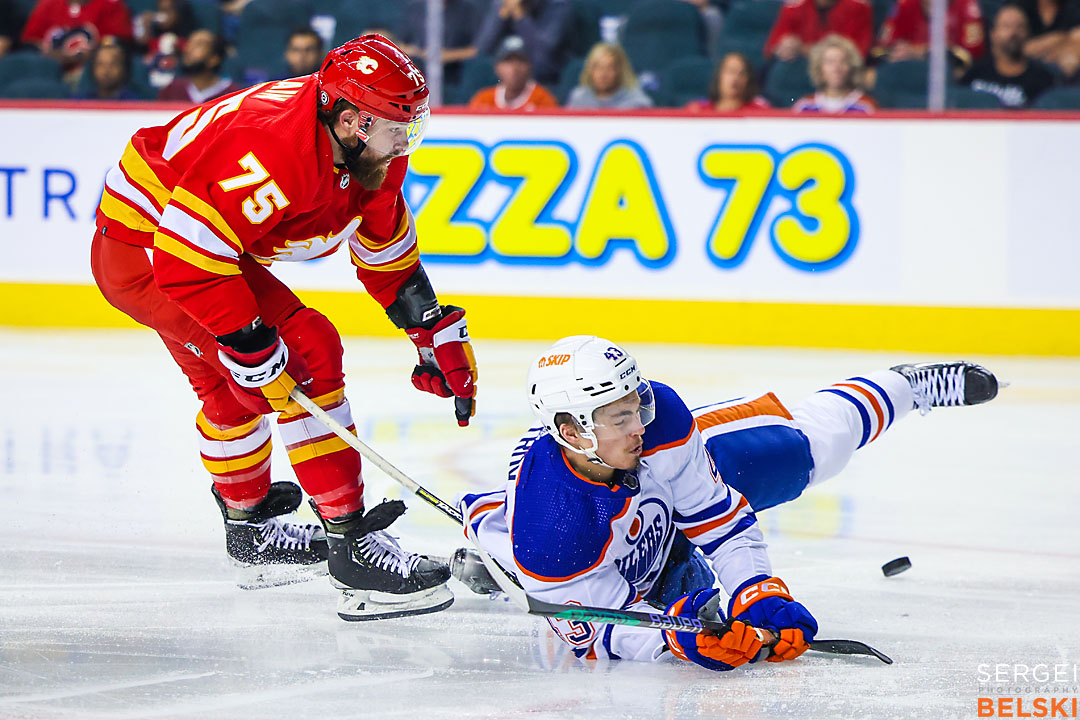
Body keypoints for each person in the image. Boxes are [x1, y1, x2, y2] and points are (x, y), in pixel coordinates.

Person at [91, 34, 478, 620]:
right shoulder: (273, 149)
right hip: (151, 250)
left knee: (230, 393)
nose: (407, 142)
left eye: (412, 125)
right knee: (306, 351)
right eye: (398, 127)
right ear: (350, 122)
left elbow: (382, 247)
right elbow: (186, 260)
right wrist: (251, 346)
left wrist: (432, 333)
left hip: (197, 244)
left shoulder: (370, 148)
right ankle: (352, 550)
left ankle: (251, 536)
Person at [454, 335, 999, 668]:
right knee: (623, 585)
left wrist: (755, 588)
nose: (639, 424)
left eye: (637, 404)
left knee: (807, 448)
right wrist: (676, 639)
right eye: (620, 417)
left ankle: (906, 386)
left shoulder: (658, 424)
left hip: (658, 495)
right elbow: (599, 630)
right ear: (572, 431)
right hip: (591, 555)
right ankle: (496, 548)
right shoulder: (551, 530)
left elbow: (721, 520)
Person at [961, 5, 1056, 108]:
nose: (1013, 32)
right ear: (993, 34)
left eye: (1020, 27)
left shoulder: (1042, 79)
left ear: (1028, 34)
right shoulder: (975, 73)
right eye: (1006, 26)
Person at [20, 0, 132, 81]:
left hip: (91, 78)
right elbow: (30, 43)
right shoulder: (47, 4)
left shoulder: (110, 4)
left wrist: (90, 56)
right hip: (50, 73)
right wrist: (55, 56)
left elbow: (119, 44)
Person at [474, 0, 575, 85]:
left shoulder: (558, 5)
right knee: (478, 67)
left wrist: (519, 15)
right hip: (504, 69)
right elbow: (482, 49)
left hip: (545, 73)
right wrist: (500, 16)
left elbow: (542, 52)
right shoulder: (503, 2)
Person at [873, 0, 985, 72]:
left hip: (952, 81)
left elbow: (971, 56)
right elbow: (881, 50)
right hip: (908, 76)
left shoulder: (967, 6)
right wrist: (896, 52)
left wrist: (916, 51)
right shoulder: (905, 4)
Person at [395, 0, 478, 88]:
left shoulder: (467, 9)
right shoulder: (415, 8)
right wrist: (417, 52)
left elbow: (476, 49)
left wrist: (447, 55)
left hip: (454, 74)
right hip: (418, 71)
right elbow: (400, 44)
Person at [764, 0, 874, 61]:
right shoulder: (795, 7)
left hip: (839, 73)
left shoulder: (858, 8)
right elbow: (771, 46)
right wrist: (784, 47)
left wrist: (803, 49)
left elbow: (857, 52)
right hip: (799, 68)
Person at [469, 34, 558, 110]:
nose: (514, 68)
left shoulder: (542, 99)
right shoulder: (484, 99)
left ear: (530, 66)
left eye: (521, 61)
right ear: (497, 67)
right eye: (508, 61)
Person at [792, 34, 878, 113]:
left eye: (843, 62)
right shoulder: (805, 106)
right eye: (830, 62)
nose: (836, 68)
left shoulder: (866, 106)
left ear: (852, 67)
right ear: (819, 67)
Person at [157, 28, 241, 103]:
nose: (189, 49)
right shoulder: (172, 90)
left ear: (214, 59)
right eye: (189, 43)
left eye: (198, 45)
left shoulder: (232, 95)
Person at [565, 42, 652, 110]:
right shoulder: (579, 98)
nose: (603, 74)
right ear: (590, 70)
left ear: (620, 70)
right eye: (597, 67)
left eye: (610, 68)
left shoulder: (636, 102)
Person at [684, 52, 772, 112]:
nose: (735, 78)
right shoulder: (698, 110)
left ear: (748, 80)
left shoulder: (759, 111)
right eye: (730, 71)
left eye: (741, 73)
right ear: (719, 76)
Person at [1014, 0, 1080, 78]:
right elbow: (1022, 49)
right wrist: (1059, 38)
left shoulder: (1073, 5)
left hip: (1063, 66)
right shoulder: (1022, 6)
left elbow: (1077, 37)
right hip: (1027, 68)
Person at [76, 36, 143, 99]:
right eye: (100, 64)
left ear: (124, 68)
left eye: (112, 64)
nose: (106, 71)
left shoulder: (135, 103)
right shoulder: (81, 102)